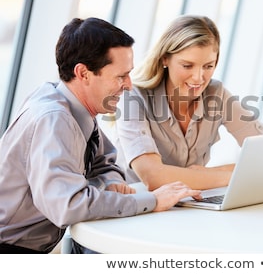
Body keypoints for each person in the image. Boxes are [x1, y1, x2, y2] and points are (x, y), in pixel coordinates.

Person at [0, 17, 201, 254]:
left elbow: (105, 163)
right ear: (83, 73)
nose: (128, 85)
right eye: (120, 76)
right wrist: (153, 201)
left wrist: (112, 182)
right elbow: (69, 205)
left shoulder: (73, 107)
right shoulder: (54, 119)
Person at [115, 15, 263, 191]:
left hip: (189, 205)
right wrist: (230, 175)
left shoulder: (216, 94)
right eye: (187, 66)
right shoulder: (133, 97)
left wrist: (209, 174)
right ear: (165, 58)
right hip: (138, 207)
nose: (198, 78)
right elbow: (153, 177)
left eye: (208, 66)